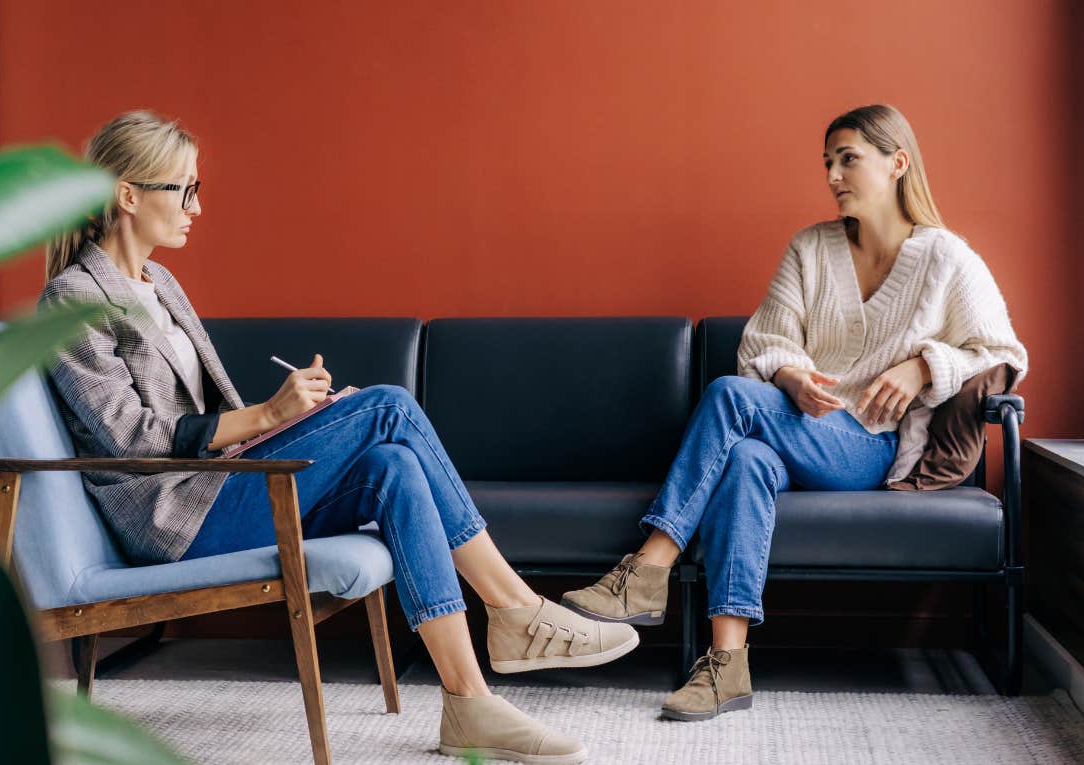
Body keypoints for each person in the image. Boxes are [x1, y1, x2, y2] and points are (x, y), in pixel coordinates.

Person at [40, 110, 638, 765]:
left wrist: (297, 419)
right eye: (183, 189)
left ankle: (469, 702)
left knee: (391, 466)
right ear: (129, 194)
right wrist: (269, 416)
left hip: (221, 483)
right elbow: (137, 440)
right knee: (389, 407)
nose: (196, 207)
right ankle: (514, 605)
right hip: (171, 517)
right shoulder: (73, 302)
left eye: (196, 188)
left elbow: (217, 423)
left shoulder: (162, 286)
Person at [561, 104, 1028, 722]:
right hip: (791, 426)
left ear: (898, 163)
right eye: (828, 162)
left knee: (730, 395)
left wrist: (922, 366)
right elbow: (763, 341)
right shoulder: (810, 247)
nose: (834, 175)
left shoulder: (947, 259)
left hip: (867, 442)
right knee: (746, 459)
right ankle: (727, 666)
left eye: (849, 159)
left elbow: (1002, 352)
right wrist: (791, 377)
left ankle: (649, 568)